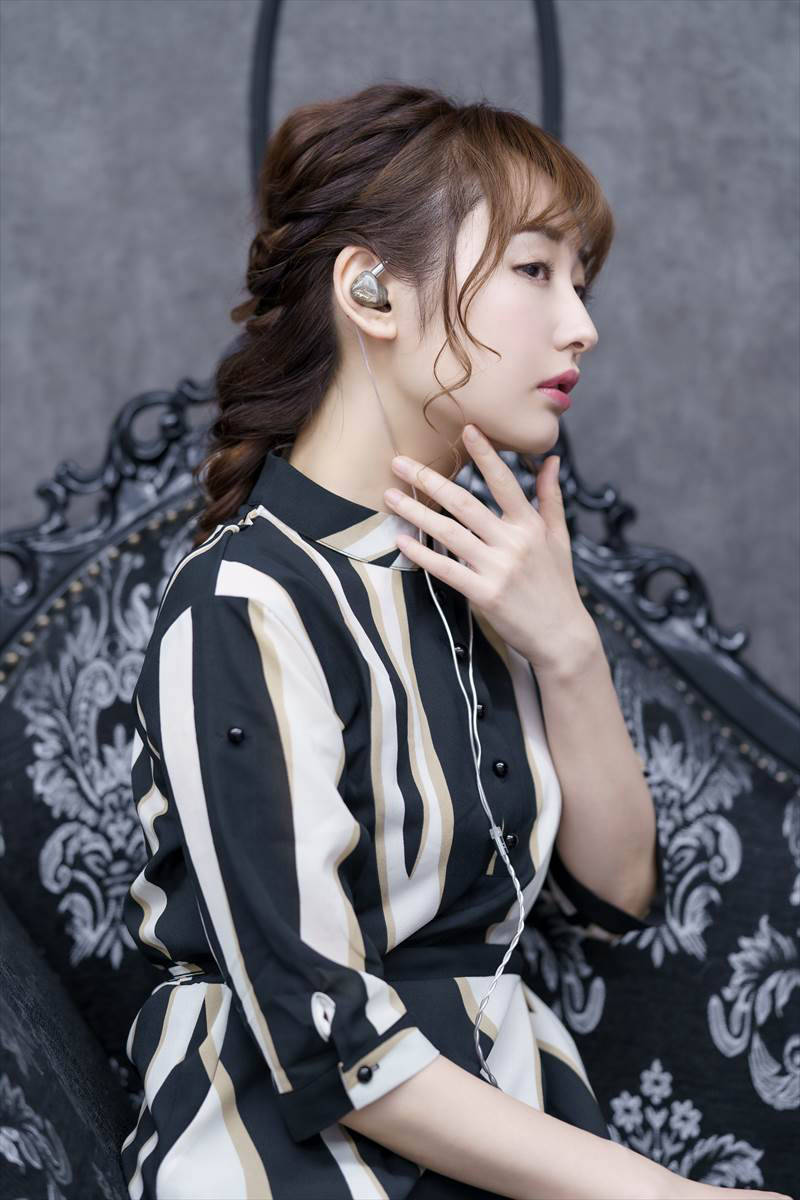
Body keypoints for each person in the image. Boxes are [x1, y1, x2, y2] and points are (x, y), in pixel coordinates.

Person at [119, 82, 792, 1200]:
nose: (580, 325)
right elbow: (328, 1036)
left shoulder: (482, 578)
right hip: (291, 1161)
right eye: (534, 270)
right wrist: (670, 1196)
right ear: (372, 291)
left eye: (579, 281)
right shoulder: (244, 600)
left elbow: (617, 893)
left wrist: (567, 648)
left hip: (498, 1133)